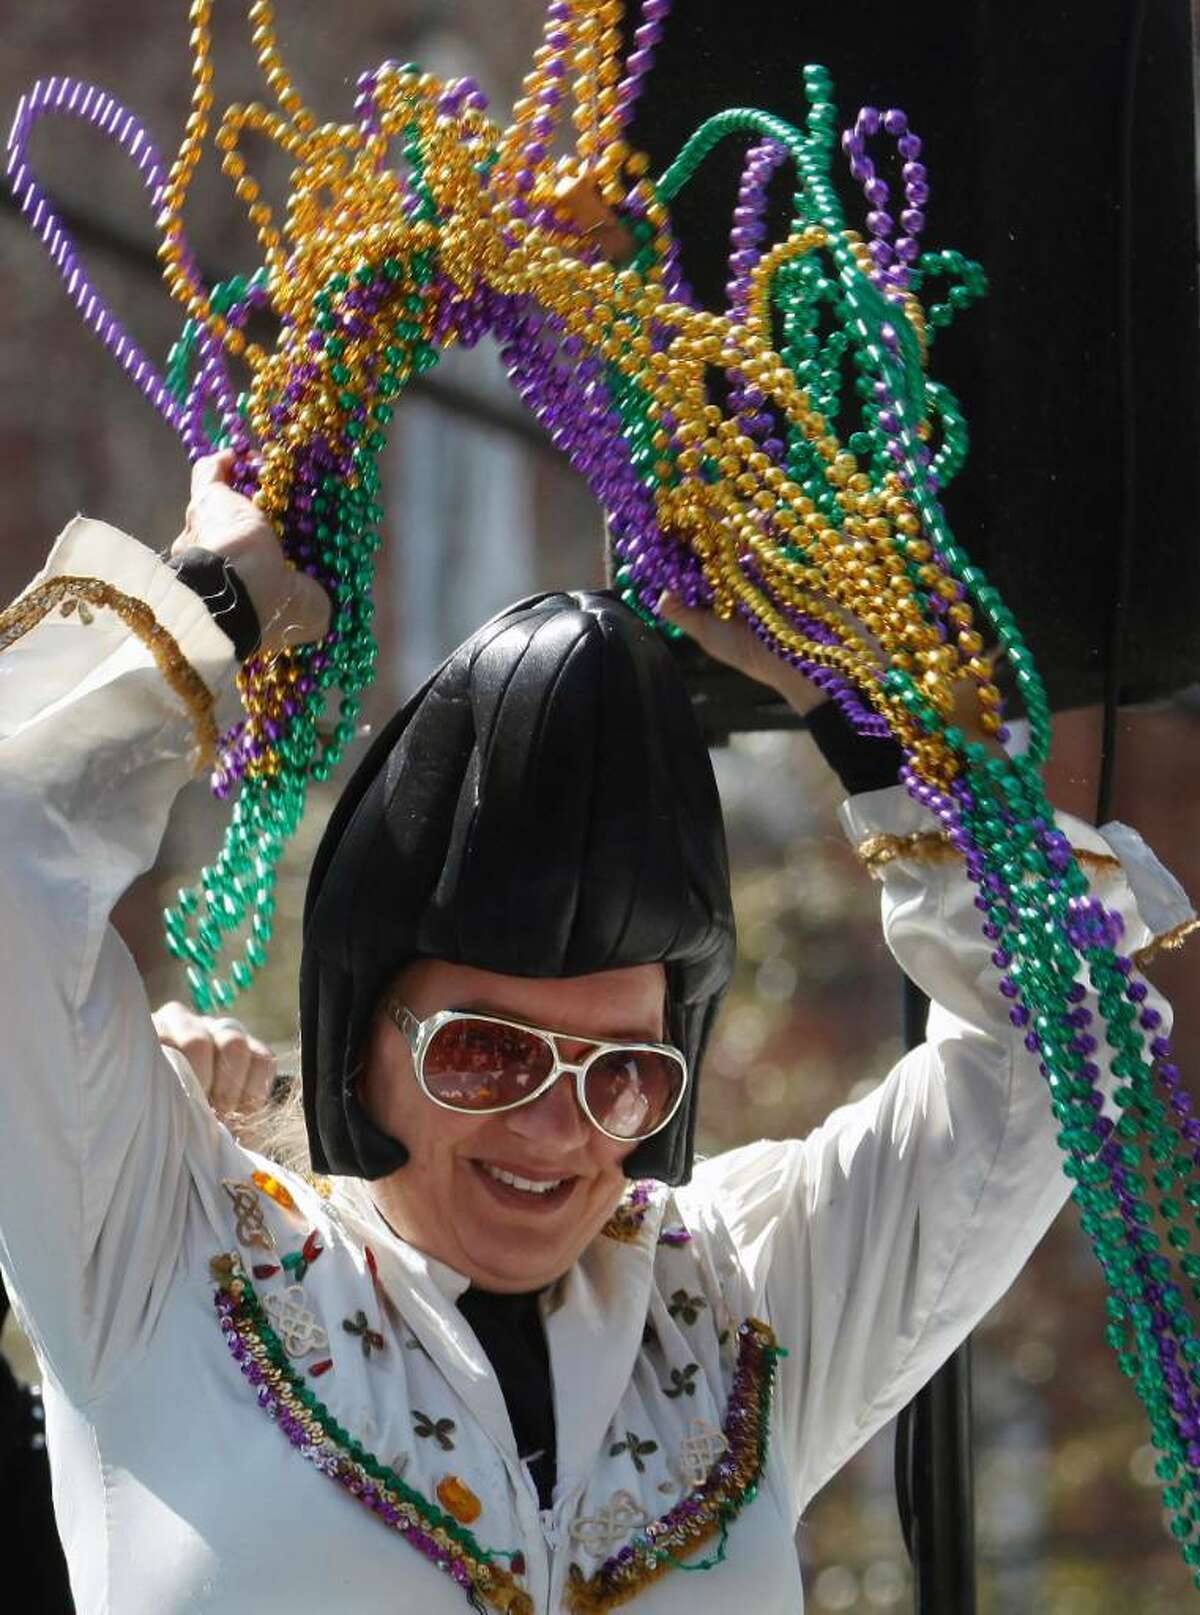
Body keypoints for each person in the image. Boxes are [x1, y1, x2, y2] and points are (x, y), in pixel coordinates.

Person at [0, 454, 1187, 1615]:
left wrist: (853, 707)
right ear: (363, 1037)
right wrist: (222, 596)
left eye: (623, 1075)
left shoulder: (736, 1304)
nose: (557, 1127)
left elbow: (1052, 1051)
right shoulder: (161, 1246)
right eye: (486, 1053)